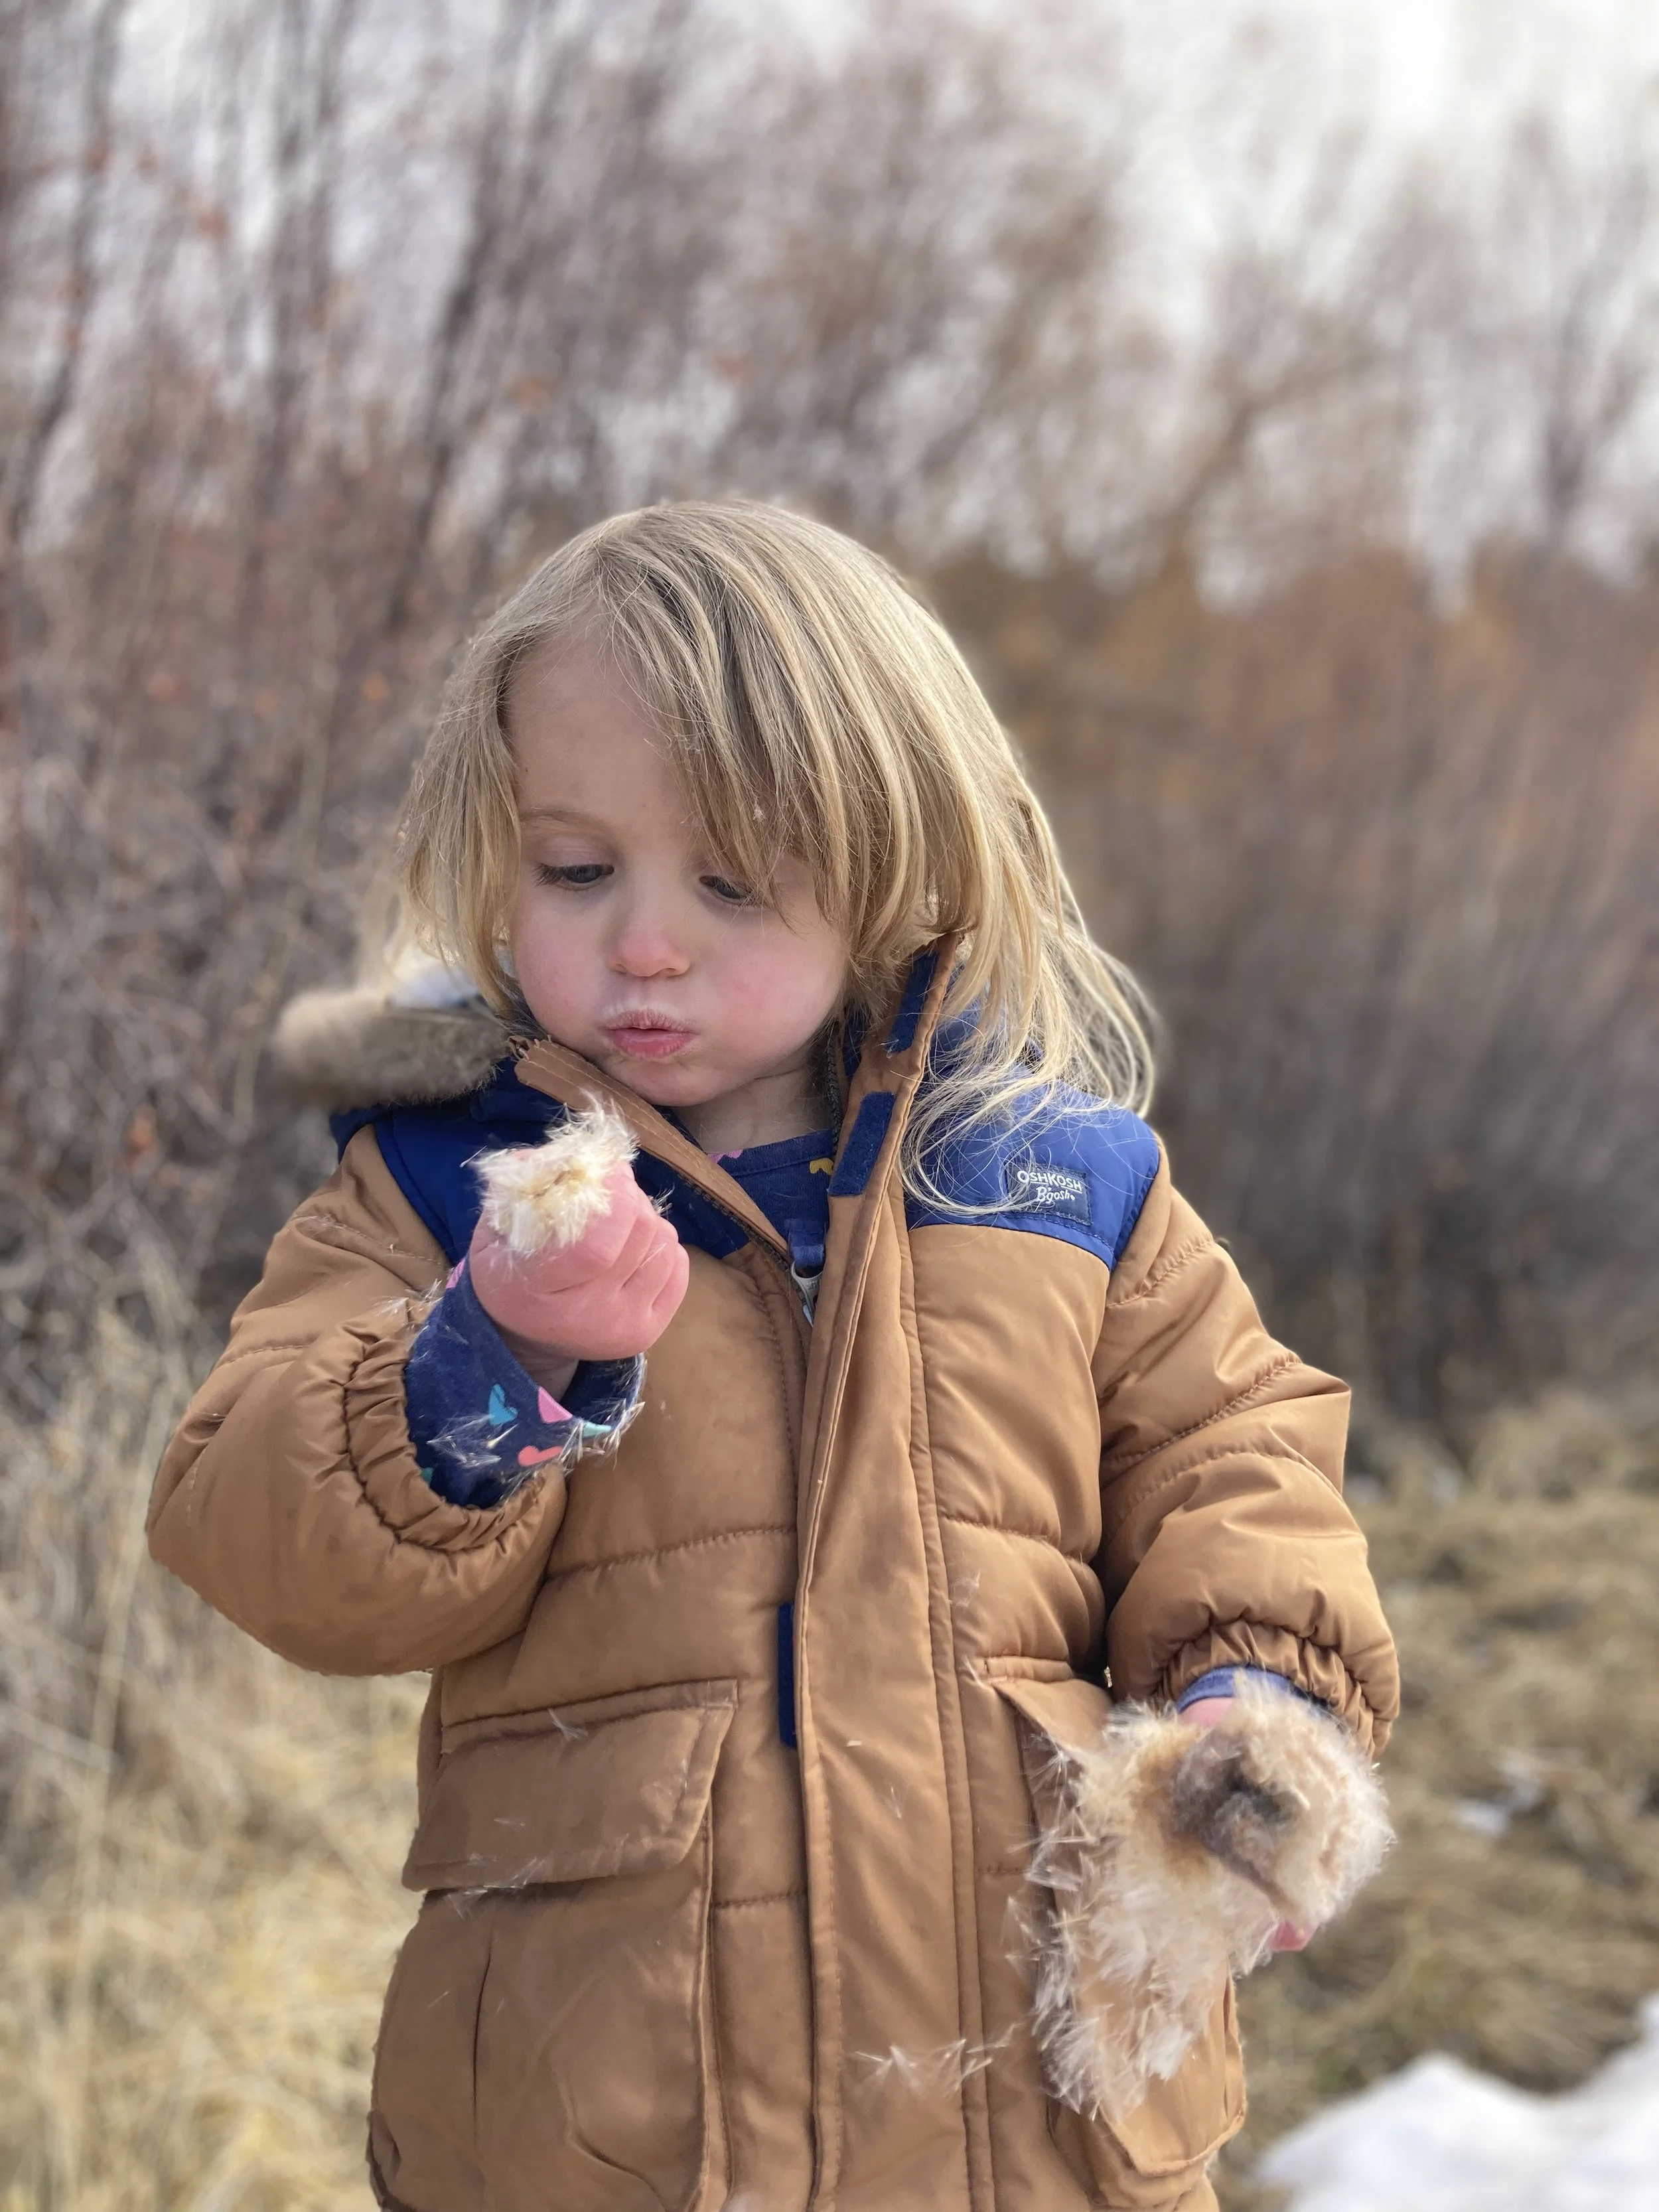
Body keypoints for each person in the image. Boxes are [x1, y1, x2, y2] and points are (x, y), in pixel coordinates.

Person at [149, 500, 1398, 2212]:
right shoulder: (448, 1188)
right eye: (578, 872)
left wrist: (1254, 1697)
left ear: (887, 860)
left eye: (730, 880)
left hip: (1030, 2118)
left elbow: (1234, 1450)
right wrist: (483, 1363)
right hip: (616, 2122)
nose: (645, 942)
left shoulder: (1051, 1180)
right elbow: (248, 1511)